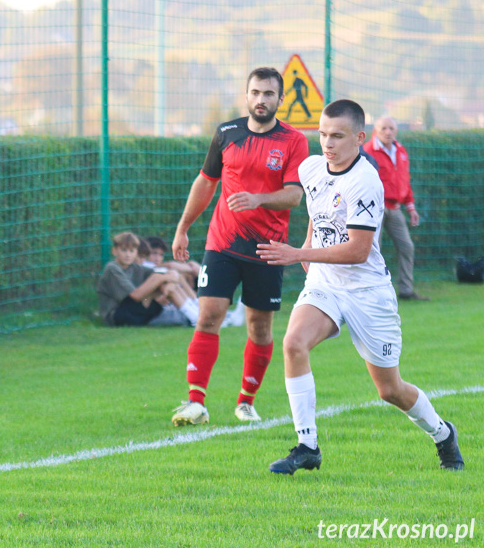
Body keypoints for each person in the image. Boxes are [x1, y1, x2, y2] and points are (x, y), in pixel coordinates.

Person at [256, 99, 463, 474]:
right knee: (293, 343)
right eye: (322, 134)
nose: (327, 143)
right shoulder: (311, 167)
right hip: (325, 284)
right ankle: (307, 446)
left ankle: (443, 433)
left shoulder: (366, 181)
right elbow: (319, 214)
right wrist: (306, 249)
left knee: (390, 390)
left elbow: (358, 249)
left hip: (367, 292)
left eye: (337, 136)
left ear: (359, 138)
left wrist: (298, 253)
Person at [170, 67, 309, 425]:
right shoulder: (227, 133)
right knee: (209, 314)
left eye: (268, 94)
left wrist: (258, 199)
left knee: (259, 327)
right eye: (255, 92)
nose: (261, 100)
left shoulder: (293, 141)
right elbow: (206, 182)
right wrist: (183, 227)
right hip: (223, 243)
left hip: (268, 249)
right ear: (246, 95)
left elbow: (294, 196)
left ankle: (246, 401)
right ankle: (195, 401)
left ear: (281, 99)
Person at [362, 115, 428, 300]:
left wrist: (411, 207)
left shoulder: (400, 151)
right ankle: (370, 292)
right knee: (372, 250)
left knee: (407, 246)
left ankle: (406, 290)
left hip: (396, 208)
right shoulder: (368, 151)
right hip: (375, 209)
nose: (388, 132)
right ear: (376, 130)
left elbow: (404, 181)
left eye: (391, 128)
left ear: (396, 130)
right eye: (384, 128)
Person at [97, 231, 200, 327]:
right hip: (117, 315)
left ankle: (197, 318)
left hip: (137, 312)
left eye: (132, 251)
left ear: (136, 252)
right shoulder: (112, 268)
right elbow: (135, 295)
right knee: (158, 277)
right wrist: (164, 279)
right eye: (124, 250)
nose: (128, 255)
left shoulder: (135, 267)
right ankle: (196, 317)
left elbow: (168, 273)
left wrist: (169, 284)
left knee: (165, 280)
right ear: (114, 251)